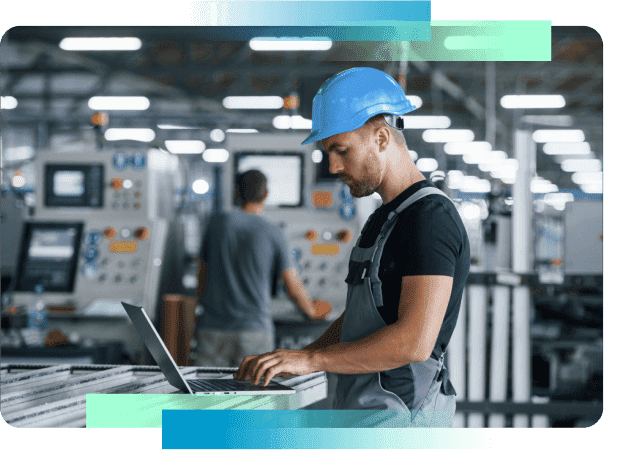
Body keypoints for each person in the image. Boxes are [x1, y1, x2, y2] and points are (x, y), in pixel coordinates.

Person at [233, 67, 470, 428]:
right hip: (364, 411)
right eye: (328, 152)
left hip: (402, 419)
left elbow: (414, 342)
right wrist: (298, 356)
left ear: (380, 137)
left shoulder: (429, 218)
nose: (333, 165)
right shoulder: (383, 217)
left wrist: (313, 362)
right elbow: (360, 319)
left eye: (341, 150)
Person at [197, 169, 332, 368]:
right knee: (255, 393)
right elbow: (292, 286)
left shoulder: (217, 223)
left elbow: (202, 277)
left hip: (213, 329)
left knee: (206, 393)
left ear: (236, 193)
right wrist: (311, 310)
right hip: (254, 332)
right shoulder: (273, 232)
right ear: (266, 194)